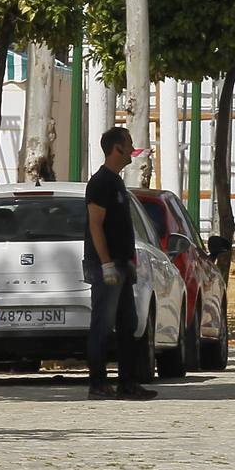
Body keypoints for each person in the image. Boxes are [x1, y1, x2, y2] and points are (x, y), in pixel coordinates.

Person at [84, 126, 155, 401]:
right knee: (102, 324)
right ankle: (98, 383)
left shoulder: (116, 182)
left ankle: (128, 382)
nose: (132, 150)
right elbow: (95, 225)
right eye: (128, 145)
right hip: (106, 265)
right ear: (117, 149)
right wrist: (106, 264)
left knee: (128, 323)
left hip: (122, 263)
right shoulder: (100, 182)